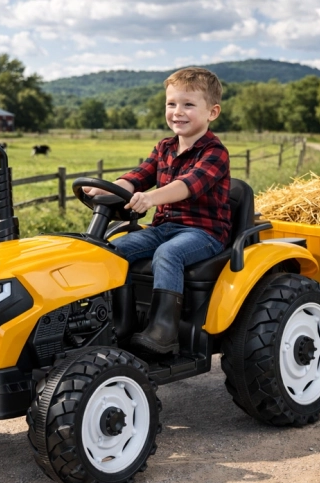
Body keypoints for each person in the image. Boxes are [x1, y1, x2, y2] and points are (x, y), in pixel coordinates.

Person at [84, 67, 231, 355]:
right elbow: (137, 177)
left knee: (168, 254)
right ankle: (121, 322)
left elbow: (187, 185)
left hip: (204, 233)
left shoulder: (215, 152)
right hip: (163, 228)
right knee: (113, 250)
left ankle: (163, 330)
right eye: (171, 104)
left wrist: (150, 198)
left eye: (188, 105)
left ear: (212, 112)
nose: (178, 112)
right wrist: (104, 189)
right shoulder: (164, 147)